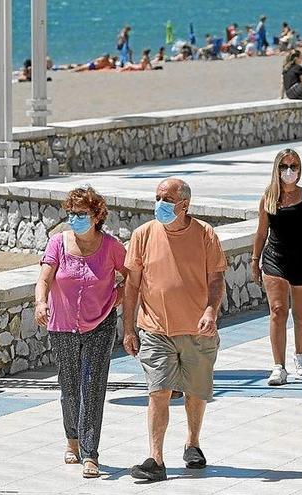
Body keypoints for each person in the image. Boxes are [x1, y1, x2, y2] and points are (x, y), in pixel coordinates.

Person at [124, 178, 227, 482]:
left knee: (195, 391)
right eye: (157, 197)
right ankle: (156, 459)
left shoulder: (205, 234)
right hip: (155, 328)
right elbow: (131, 285)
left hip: (197, 330)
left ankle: (192, 443)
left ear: (185, 204)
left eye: (166, 199)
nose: (159, 204)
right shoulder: (143, 235)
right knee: (158, 392)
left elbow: (217, 279)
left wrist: (211, 310)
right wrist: (128, 329)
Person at [34, 187, 128, 479]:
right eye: (71, 213)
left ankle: (91, 453)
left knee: (93, 385)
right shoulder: (58, 243)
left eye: (81, 214)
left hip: (100, 324)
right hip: (62, 324)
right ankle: (71, 440)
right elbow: (45, 277)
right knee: (70, 386)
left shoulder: (111, 246)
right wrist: (40, 302)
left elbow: (133, 275)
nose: (74, 218)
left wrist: (119, 295)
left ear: (97, 215)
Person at [252, 149, 302, 386]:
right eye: (284, 167)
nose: (289, 171)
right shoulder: (268, 197)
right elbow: (262, 232)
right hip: (275, 259)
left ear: (299, 169)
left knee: (301, 315)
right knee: (277, 311)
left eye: (293, 166)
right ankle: (278, 366)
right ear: (276, 169)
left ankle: (300, 355)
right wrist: (255, 261)